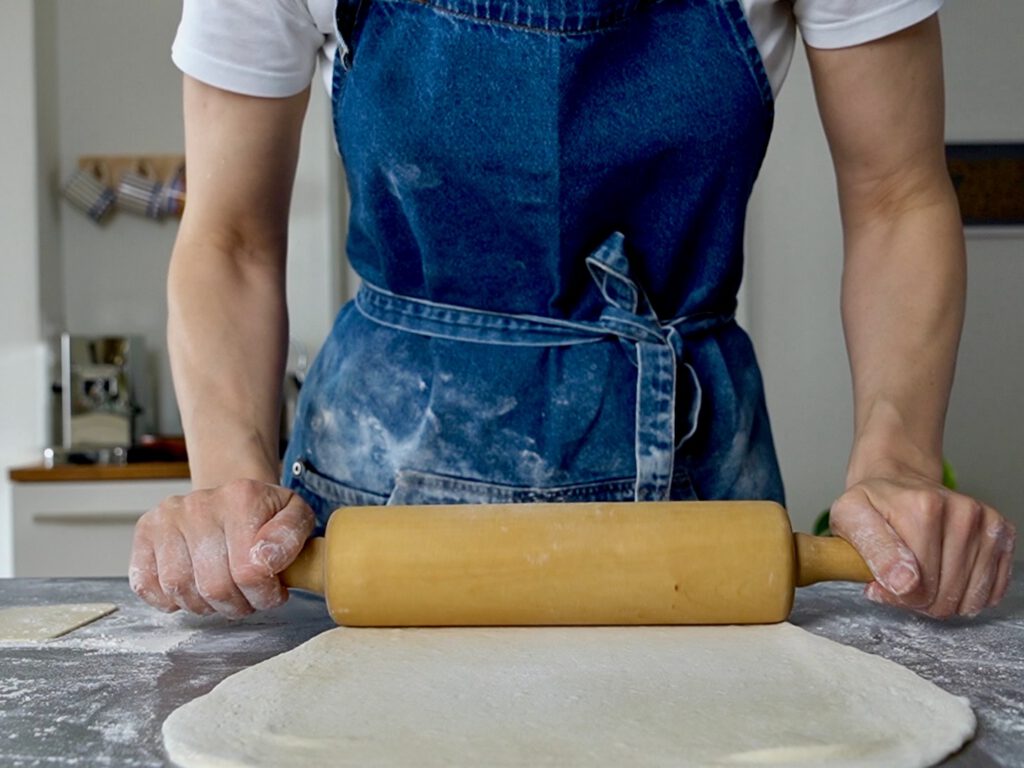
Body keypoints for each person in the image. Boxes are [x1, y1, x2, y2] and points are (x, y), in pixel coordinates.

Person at [130, 0, 1015, 622]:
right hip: (374, 499)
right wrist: (225, 482)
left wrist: (896, 460)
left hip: (694, 490)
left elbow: (898, 196)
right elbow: (231, 237)